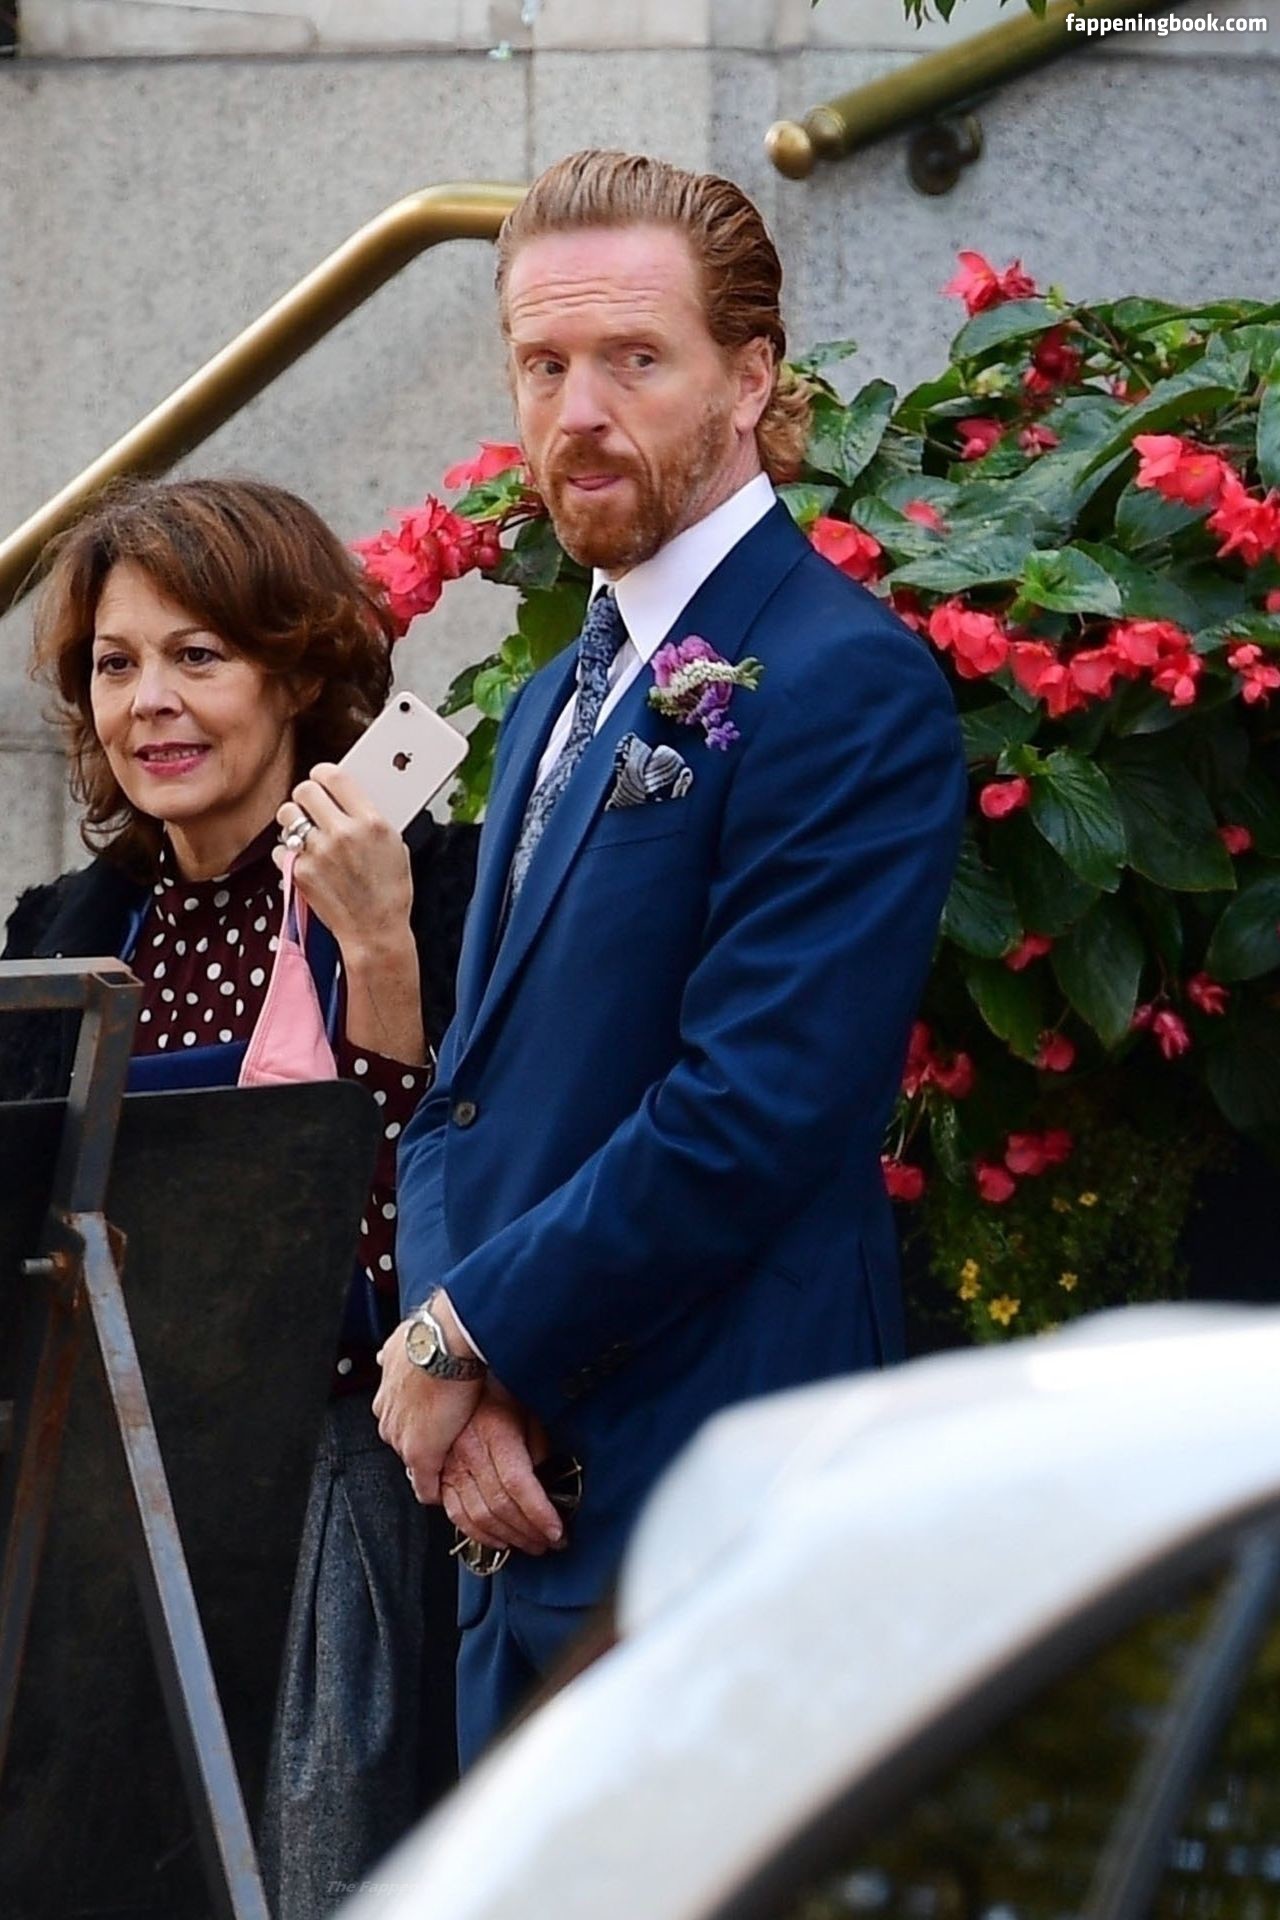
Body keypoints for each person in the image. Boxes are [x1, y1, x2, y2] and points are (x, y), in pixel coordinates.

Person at [373, 149, 968, 1768]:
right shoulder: (555, 694)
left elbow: (755, 1105)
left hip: (719, 1491)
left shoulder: (843, 681)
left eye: (635, 359)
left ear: (751, 377)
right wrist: (458, 1367)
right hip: (517, 1507)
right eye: (543, 364)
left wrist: (465, 1340)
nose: (577, 412)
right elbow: (470, 1094)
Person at [0, 476, 477, 1916]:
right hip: (102, 1512)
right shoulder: (65, 930)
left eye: (198, 655)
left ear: (298, 672)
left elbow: (435, 1213)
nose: (150, 701)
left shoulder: (439, 889)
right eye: (116, 663)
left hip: (335, 1491)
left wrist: (378, 952)